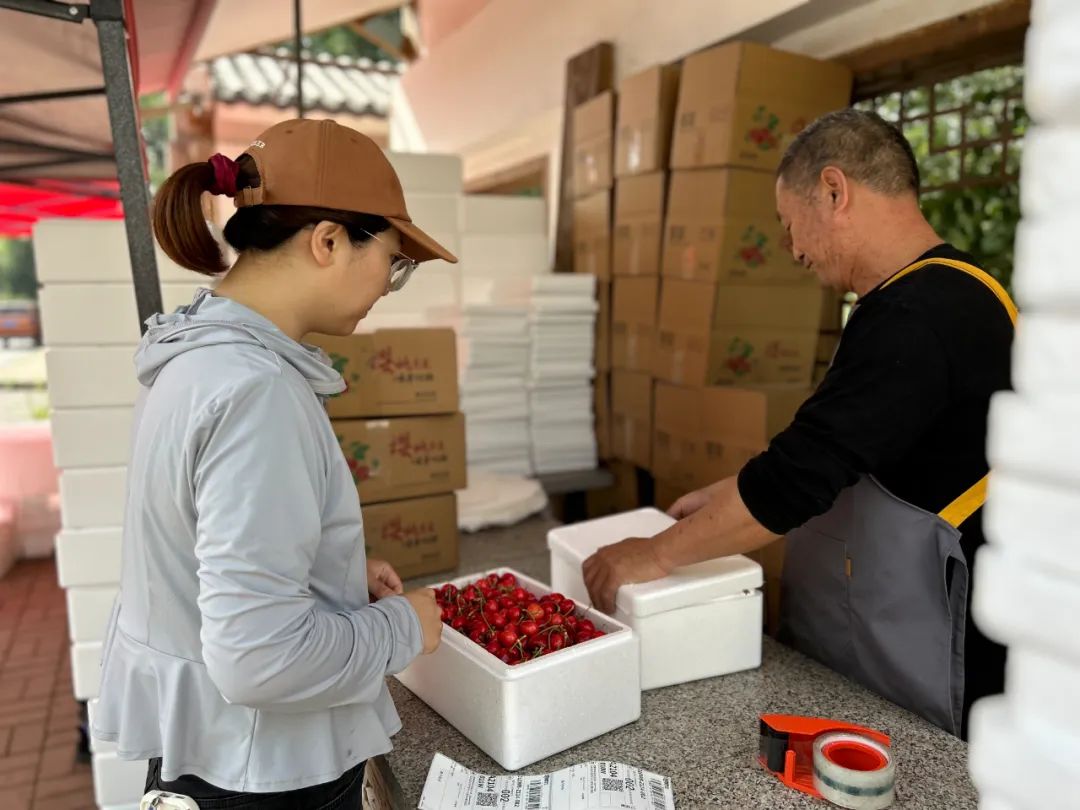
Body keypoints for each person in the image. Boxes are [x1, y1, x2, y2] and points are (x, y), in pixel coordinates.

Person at [583, 109, 1014, 739]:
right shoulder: (955, 291)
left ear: (835, 191)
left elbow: (800, 478)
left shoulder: (919, 314)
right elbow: (841, 442)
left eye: (790, 226)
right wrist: (735, 488)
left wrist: (653, 555)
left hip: (936, 641)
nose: (793, 251)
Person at [91, 118, 454, 807]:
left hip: (202, 752)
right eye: (394, 261)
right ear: (327, 241)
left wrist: (331, 571)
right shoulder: (258, 392)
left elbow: (192, 556)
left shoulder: (193, 355)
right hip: (266, 774)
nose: (386, 284)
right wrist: (406, 625)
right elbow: (262, 660)